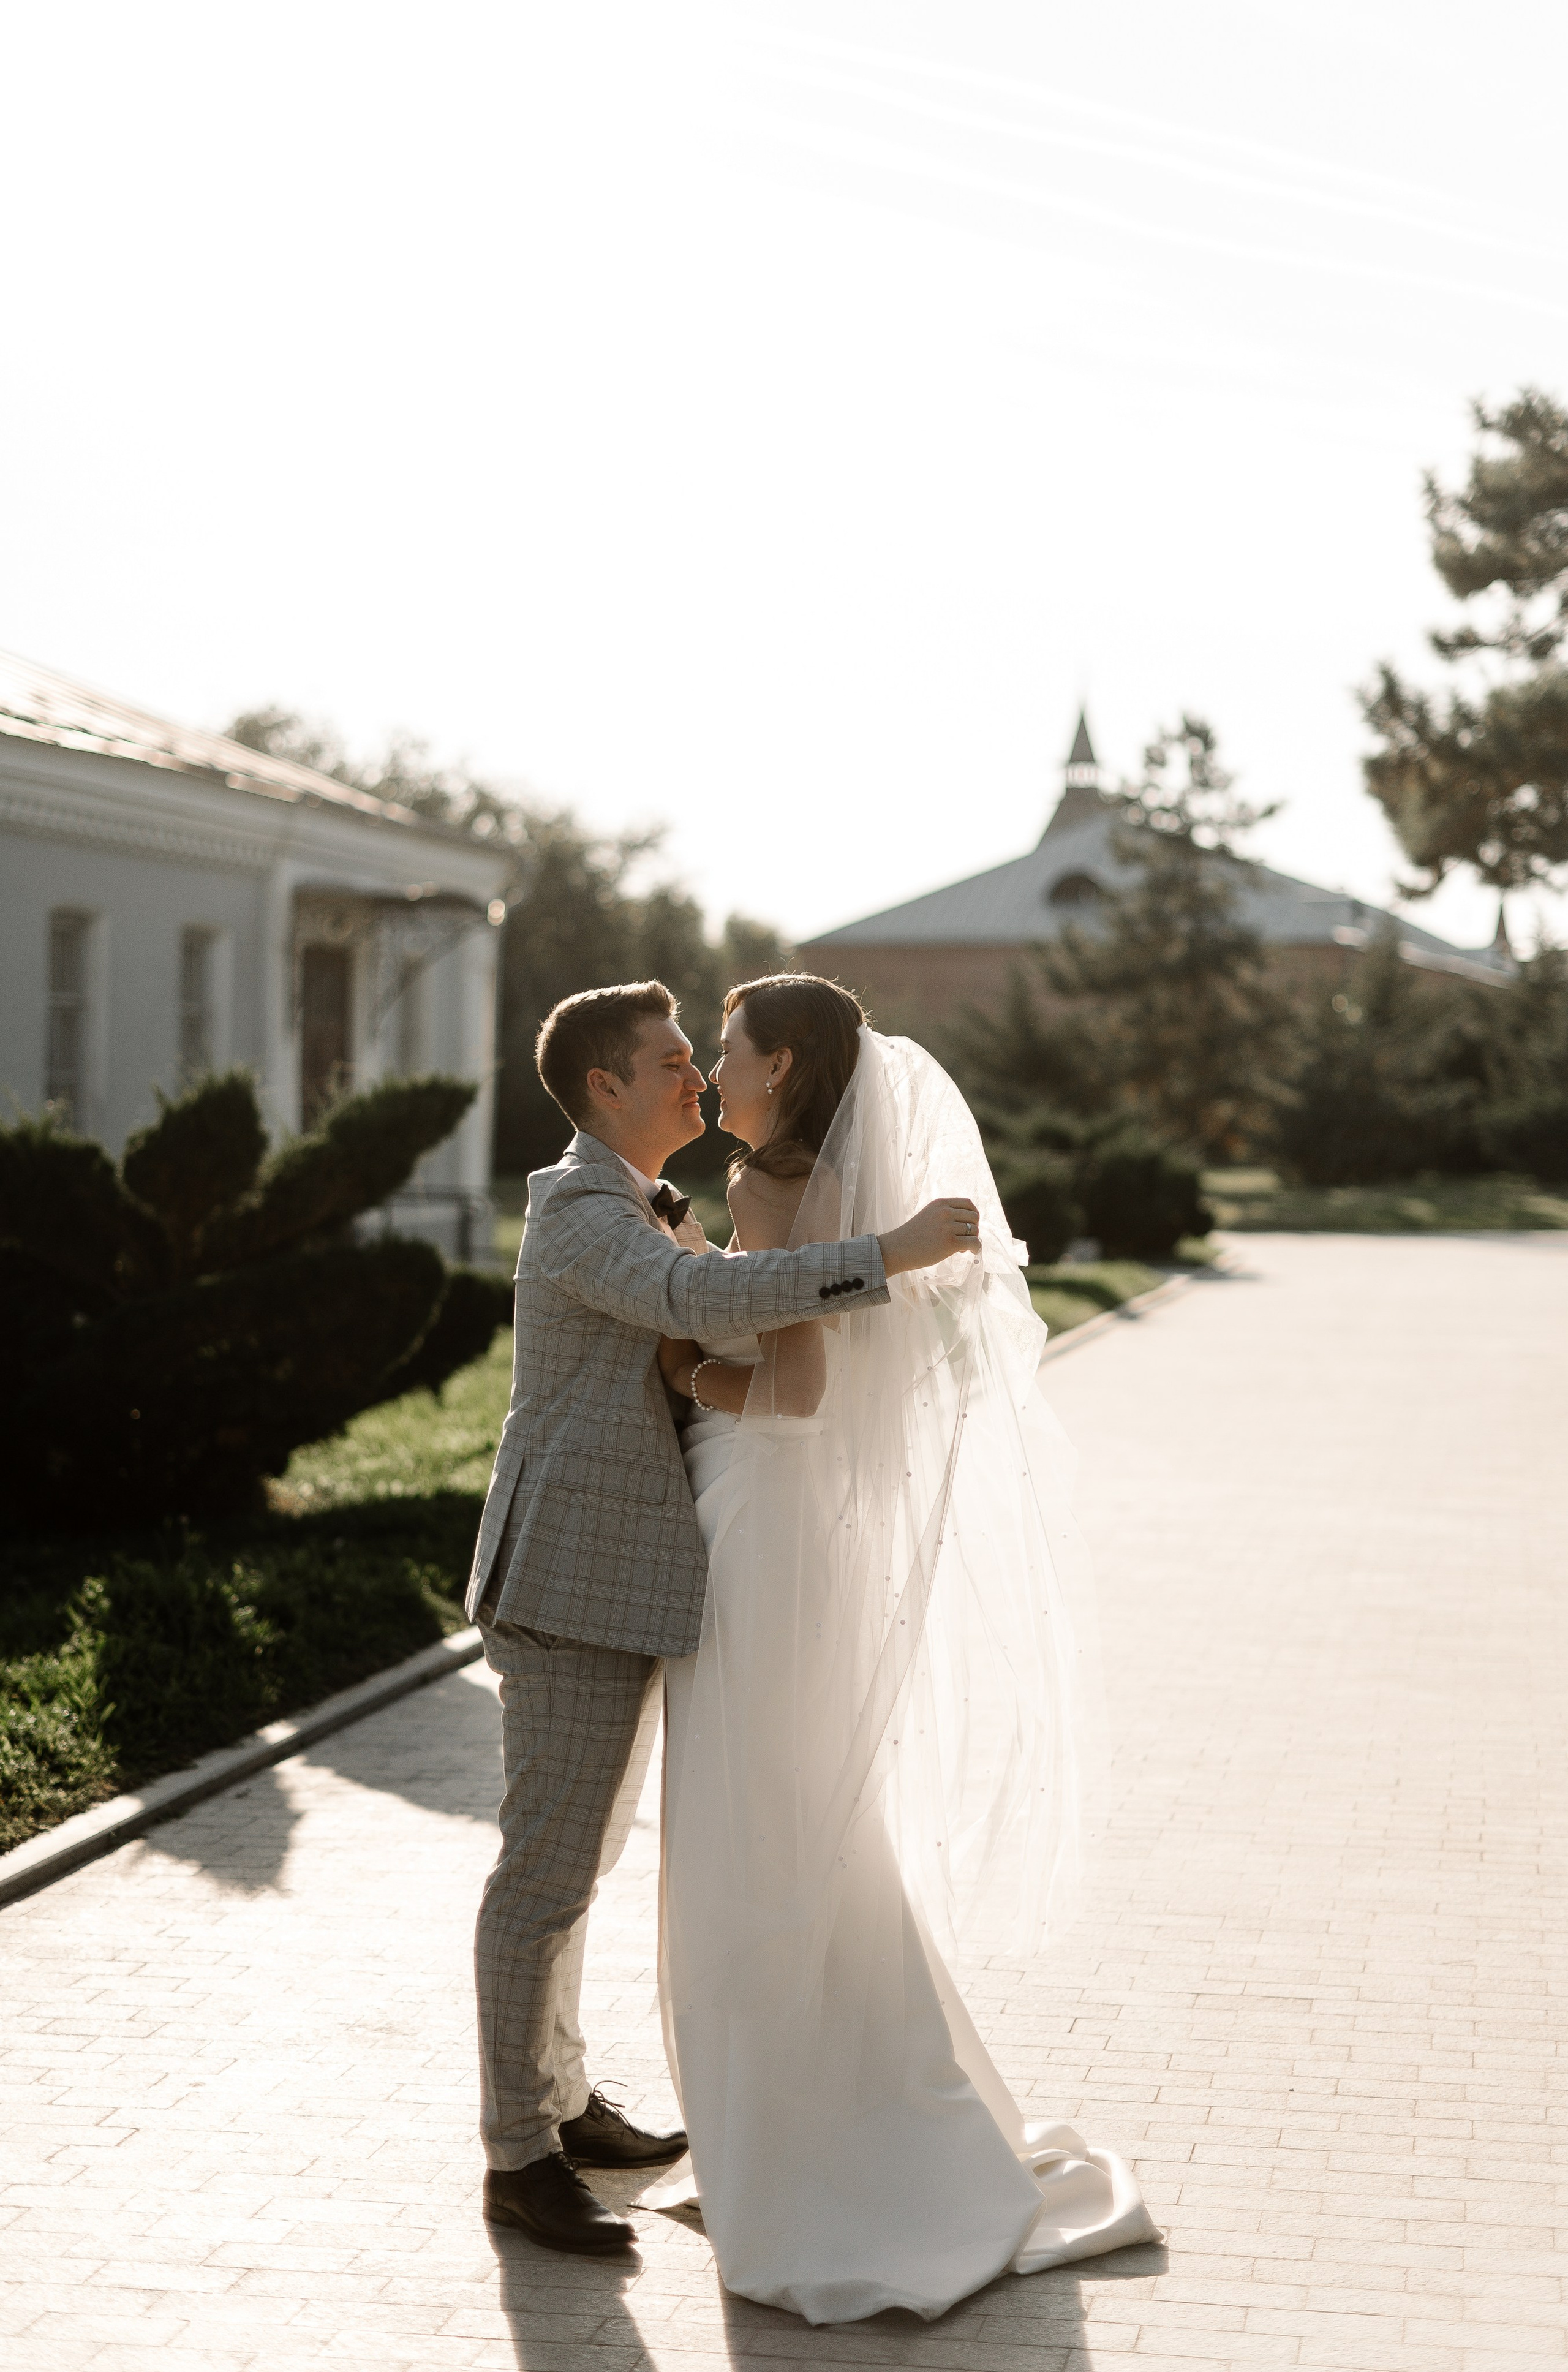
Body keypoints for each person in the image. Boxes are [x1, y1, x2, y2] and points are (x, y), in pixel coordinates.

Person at [643, 974, 1161, 2322]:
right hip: (787, 1523)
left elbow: (801, 1391)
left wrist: (684, 1373)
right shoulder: (814, 1179)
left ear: (789, 1065)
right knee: (803, 1827)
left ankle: (803, 2148)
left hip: (757, 1514)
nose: (712, 1065)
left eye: (731, 1048)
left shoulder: (768, 1189)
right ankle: (825, 2116)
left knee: (747, 1834)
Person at [469, 978, 981, 2254]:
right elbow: (699, 1309)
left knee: (574, 1864)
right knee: (541, 1877)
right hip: (571, 1584)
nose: (695, 1073)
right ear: (605, 1086)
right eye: (669, 1058)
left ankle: (567, 2098)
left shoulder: (637, 1202)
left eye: (700, 1053)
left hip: (628, 1575)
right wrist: (892, 1253)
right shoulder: (584, 1208)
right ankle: (516, 2157)